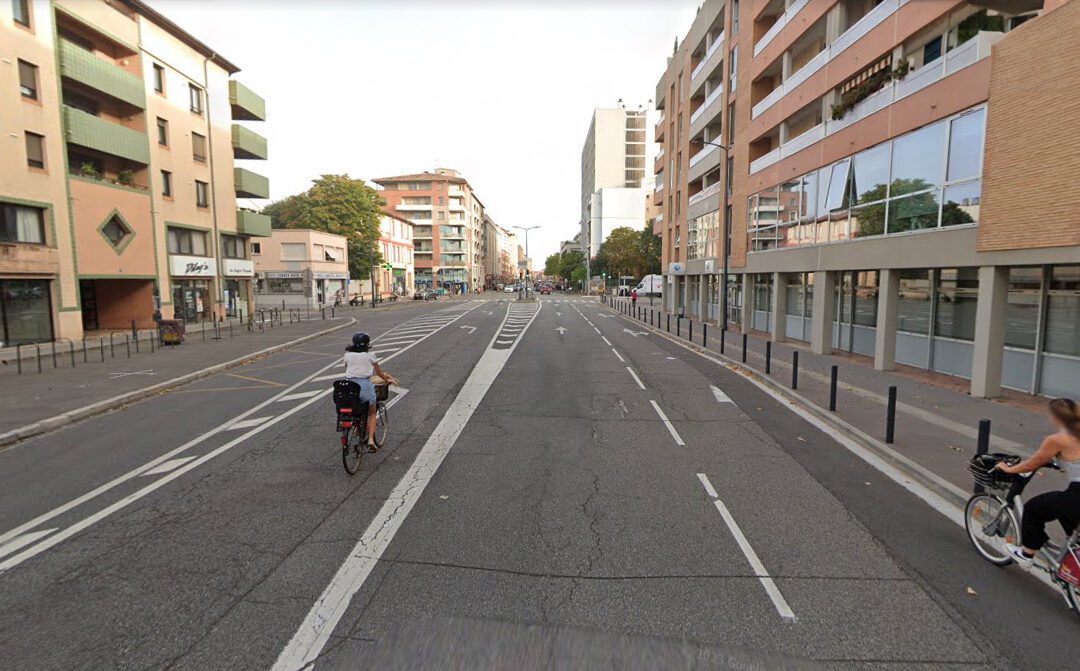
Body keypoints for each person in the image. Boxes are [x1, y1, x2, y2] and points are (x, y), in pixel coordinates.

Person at [996, 397, 1080, 563]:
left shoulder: (1057, 439)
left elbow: (1031, 464)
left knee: (1034, 509)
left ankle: (1027, 554)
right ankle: (1073, 553)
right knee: (1065, 510)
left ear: (1054, 417)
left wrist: (1008, 469)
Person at [343, 332, 397, 451]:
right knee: (371, 413)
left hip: (349, 387)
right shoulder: (370, 355)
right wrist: (387, 379)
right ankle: (371, 440)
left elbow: (347, 370)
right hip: (365, 386)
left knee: (353, 408)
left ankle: (356, 428)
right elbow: (379, 373)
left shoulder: (348, 355)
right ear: (367, 344)